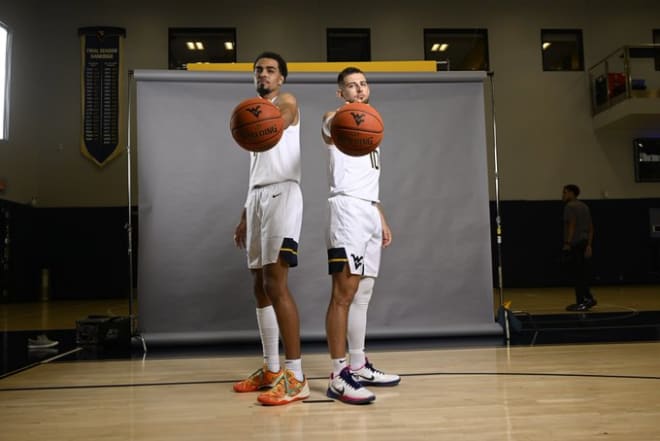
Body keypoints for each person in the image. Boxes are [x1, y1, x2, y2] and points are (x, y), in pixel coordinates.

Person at [232, 52, 309, 406]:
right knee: (259, 286)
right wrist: (246, 215)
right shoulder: (252, 116)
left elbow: (290, 113)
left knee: (276, 283)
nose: (264, 74)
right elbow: (255, 174)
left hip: (284, 193)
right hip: (260, 198)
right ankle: (271, 369)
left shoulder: (284, 104)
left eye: (271, 70)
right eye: (259, 70)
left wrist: (279, 117)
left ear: (281, 78)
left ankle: (296, 377)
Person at [320, 67, 401, 405]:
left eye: (363, 84)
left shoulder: (372, 127)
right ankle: (339, 375)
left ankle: (358, 363)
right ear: (341, 93)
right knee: (344, 292)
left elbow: (366, 178)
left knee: (364, 292)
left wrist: (378, 214)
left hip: (367, 209)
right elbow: (327, 129)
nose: (359, 89)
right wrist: (337, 114)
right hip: (346, 211)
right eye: (351, 86)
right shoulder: (335, 119)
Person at [562, 184, 597, 311]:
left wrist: (567, 243)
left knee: (577, 274)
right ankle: (588, 298)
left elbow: (572, 224)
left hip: (576, 243)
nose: (563, 195)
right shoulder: (584, 206)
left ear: (571, 193)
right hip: (584, 242)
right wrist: (589, 245)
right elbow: (591, 227)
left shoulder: (570, 206)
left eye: (565, 192)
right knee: (581, 273)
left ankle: (581, 302)